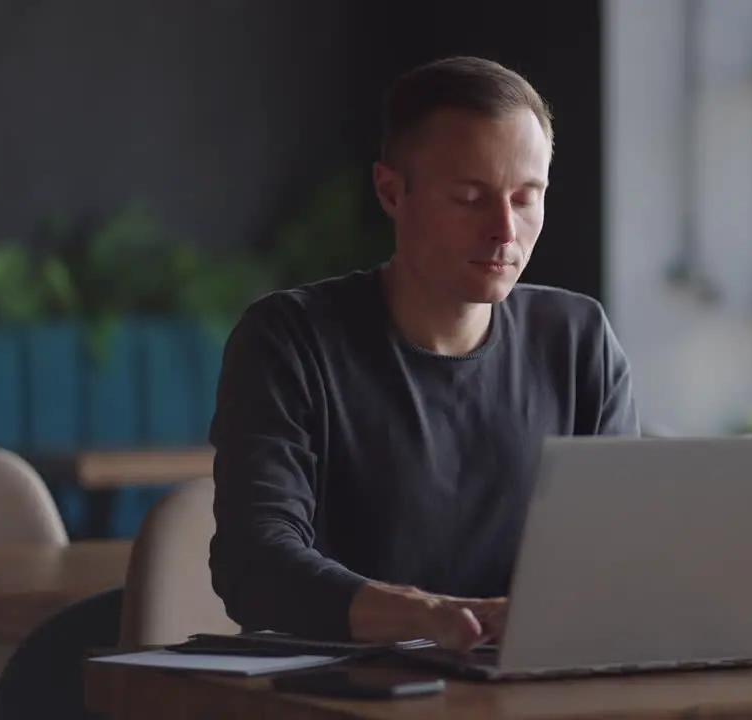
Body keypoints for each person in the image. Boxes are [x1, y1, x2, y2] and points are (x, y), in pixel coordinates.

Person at [208, 56, 641, 651]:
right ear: (391, 191)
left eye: (525, 198)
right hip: (349, 687)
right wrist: (426, 618)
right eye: (469, 198)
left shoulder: (577, 338)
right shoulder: (291, 339)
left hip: (536, 683)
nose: (504, 231)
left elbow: (619, 553)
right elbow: (254, 564)